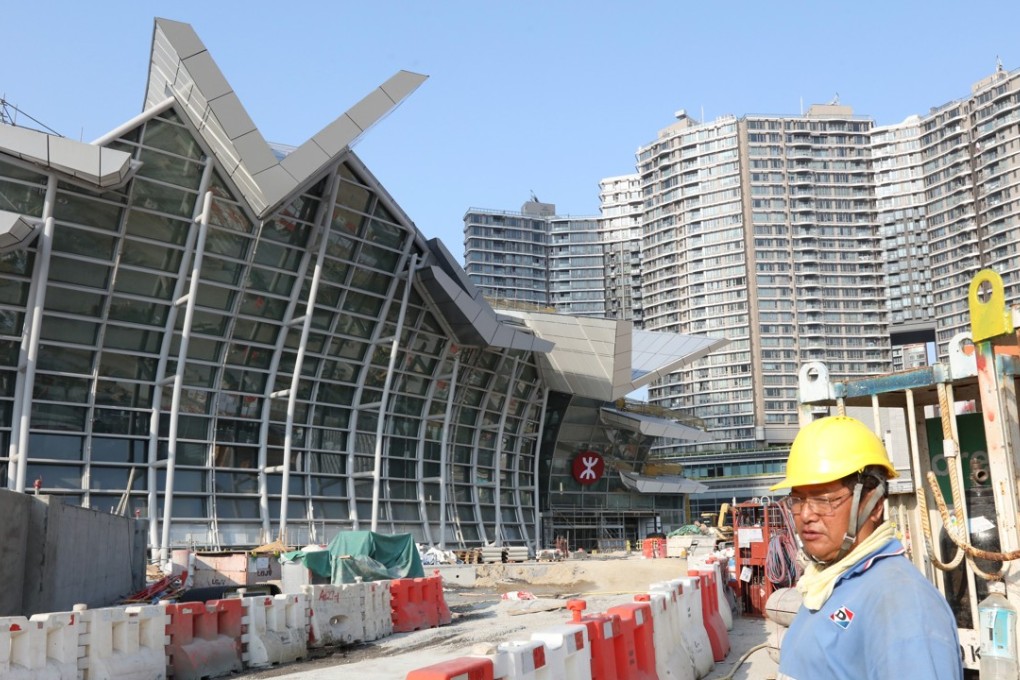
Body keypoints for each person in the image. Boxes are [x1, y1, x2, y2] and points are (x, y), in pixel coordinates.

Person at [770, 415, 963, 679]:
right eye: (798, 499)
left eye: (824, 500)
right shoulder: (829, 584)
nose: (806, 514)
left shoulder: (901, 601)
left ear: (874, 505)